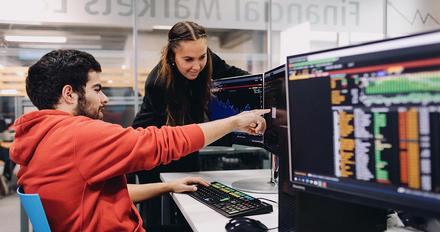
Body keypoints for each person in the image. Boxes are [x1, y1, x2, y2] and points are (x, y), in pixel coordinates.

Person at [10, 49, 269, 231]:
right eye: (97, 90)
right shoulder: (76, 135)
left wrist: (167, 186)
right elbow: (161, 142)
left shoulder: (39, 136)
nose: (105, 100)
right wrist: (234, 122)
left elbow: (96, 194)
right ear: (69, 94)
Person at [131, 21, 250, 228]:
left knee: (189, 206)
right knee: (161, 218)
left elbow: (235, 74)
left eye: (202, 57)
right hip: (153, 150)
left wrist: (270, 86)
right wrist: (232, 126)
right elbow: (179, 136)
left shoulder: (206, 58)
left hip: (185, 143)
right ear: (172, 57)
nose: (197, 66)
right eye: (188, 59)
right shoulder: (159, 81)